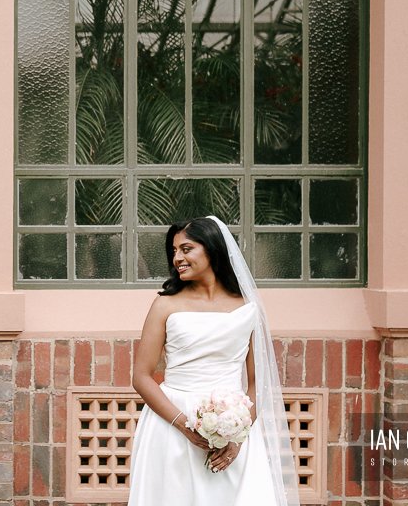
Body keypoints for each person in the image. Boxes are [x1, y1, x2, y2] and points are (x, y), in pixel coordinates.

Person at [128, 216, 299, 506]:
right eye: (174, 251)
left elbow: (258, 382)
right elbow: (142, 377)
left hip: (233, 426)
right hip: (172, 426)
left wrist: (238, 436)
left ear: (212, 249)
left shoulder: (247, 307)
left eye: (186, 249)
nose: (177, 258)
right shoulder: (165, 304)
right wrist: (184, 426)